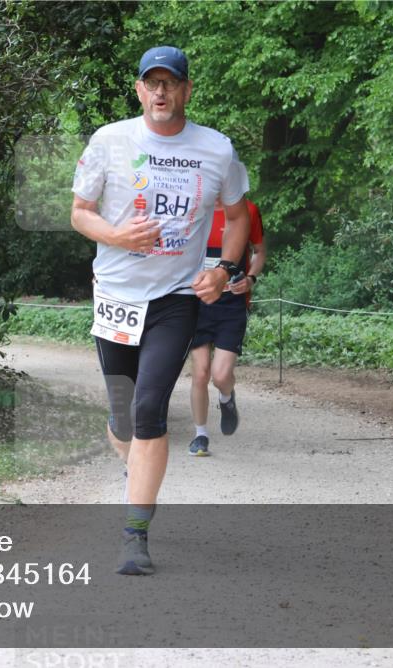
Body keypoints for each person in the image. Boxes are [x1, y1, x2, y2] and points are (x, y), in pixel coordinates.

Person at [70, 45, 251, 575]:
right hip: (116, 295)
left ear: (187, 89)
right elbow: (81, 213)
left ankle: (135, 536)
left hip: (175, 298)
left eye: (170, 83)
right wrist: (117, 234)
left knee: (150, 411)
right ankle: (139, 475)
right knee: (124, 417)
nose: (161, 92)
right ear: (139, 90)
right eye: (152, 83)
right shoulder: (109, 140)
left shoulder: (217, 149)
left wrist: (223, 270)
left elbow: (238, 217)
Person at [187, 198, 266, 456]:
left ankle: (226, 396)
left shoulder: (248, 210)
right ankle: (200, 435)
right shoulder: (193, 206)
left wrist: (251, 279)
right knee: (200, 373)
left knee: (220, 376)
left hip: (231, 304)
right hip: (195, 302)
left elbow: (260, 251)